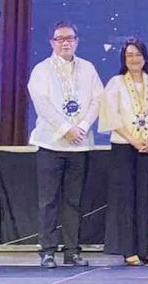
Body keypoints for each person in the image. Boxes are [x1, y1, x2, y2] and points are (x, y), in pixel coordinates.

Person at [27, 21, 103, 268]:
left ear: (77, 41)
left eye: (69, 38)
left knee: (74, 201)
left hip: (79, 146)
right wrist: (65, 129)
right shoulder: (41, 70)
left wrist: (80, 128)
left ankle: (72, 251)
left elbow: (97, 100)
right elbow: (42, 104)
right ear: (52, 42)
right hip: (50, 144)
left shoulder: (88, 68)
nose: (65, 42)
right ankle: (47, 250)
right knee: (48, 201)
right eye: (60, 39)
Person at [99, 38, 148, 266]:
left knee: (145, 198)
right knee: (126, 199)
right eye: (129, 55)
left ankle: (143, 249)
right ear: (124, 59)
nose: (134, 59)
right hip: (124, 147)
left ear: (145, 57)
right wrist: (133, 140)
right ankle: (128, 250)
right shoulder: (115, 83)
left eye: (138, 55)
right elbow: (111, 116)